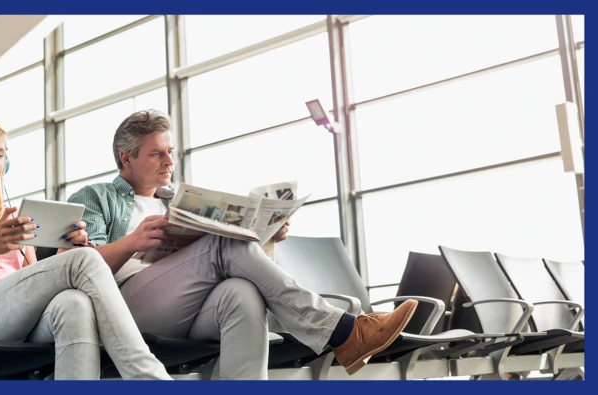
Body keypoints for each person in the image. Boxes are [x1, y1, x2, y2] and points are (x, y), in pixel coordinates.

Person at [68, 109, 419, 379]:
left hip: (185, 303)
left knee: (241, 292)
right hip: (126, 307)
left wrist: (264, 235)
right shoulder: (96, 196)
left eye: (170, 152)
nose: (169, 162)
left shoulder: (175, 198)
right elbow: (81, 269)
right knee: (224, 246)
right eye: (156, 154)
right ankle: (344, 331)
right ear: (126, 158)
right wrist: (132, 242)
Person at [0, 116, 172, 380]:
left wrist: (66, 252)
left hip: (18, 315)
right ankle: (146, 375)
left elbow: (34, 278)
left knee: (74, 303)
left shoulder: (12, 217)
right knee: (84, 260)